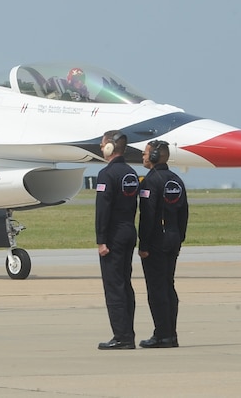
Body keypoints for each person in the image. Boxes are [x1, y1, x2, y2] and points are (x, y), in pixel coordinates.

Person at [137, 140, 189, 348]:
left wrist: (144, 244)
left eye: (145, 153)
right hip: (173, 239)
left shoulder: (151, 181)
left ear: (155, 156)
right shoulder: (176, 180)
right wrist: (179, 237)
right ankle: (171, 333)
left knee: (157, 289)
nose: (143, 156)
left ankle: (162, 335)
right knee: (168, 286)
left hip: (157, 241)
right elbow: (184, 212)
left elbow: (147, 216)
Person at [94, 130, 139, 349]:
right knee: (125, 284)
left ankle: (121, 337)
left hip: (113, 236)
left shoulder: (106, 174)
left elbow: (103, 209)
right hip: (129, 231)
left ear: (111, 147)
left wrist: (101, 240)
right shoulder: (130, 173)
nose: (101, 148)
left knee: (114, 286)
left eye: (103, 145)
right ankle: (127, 332)